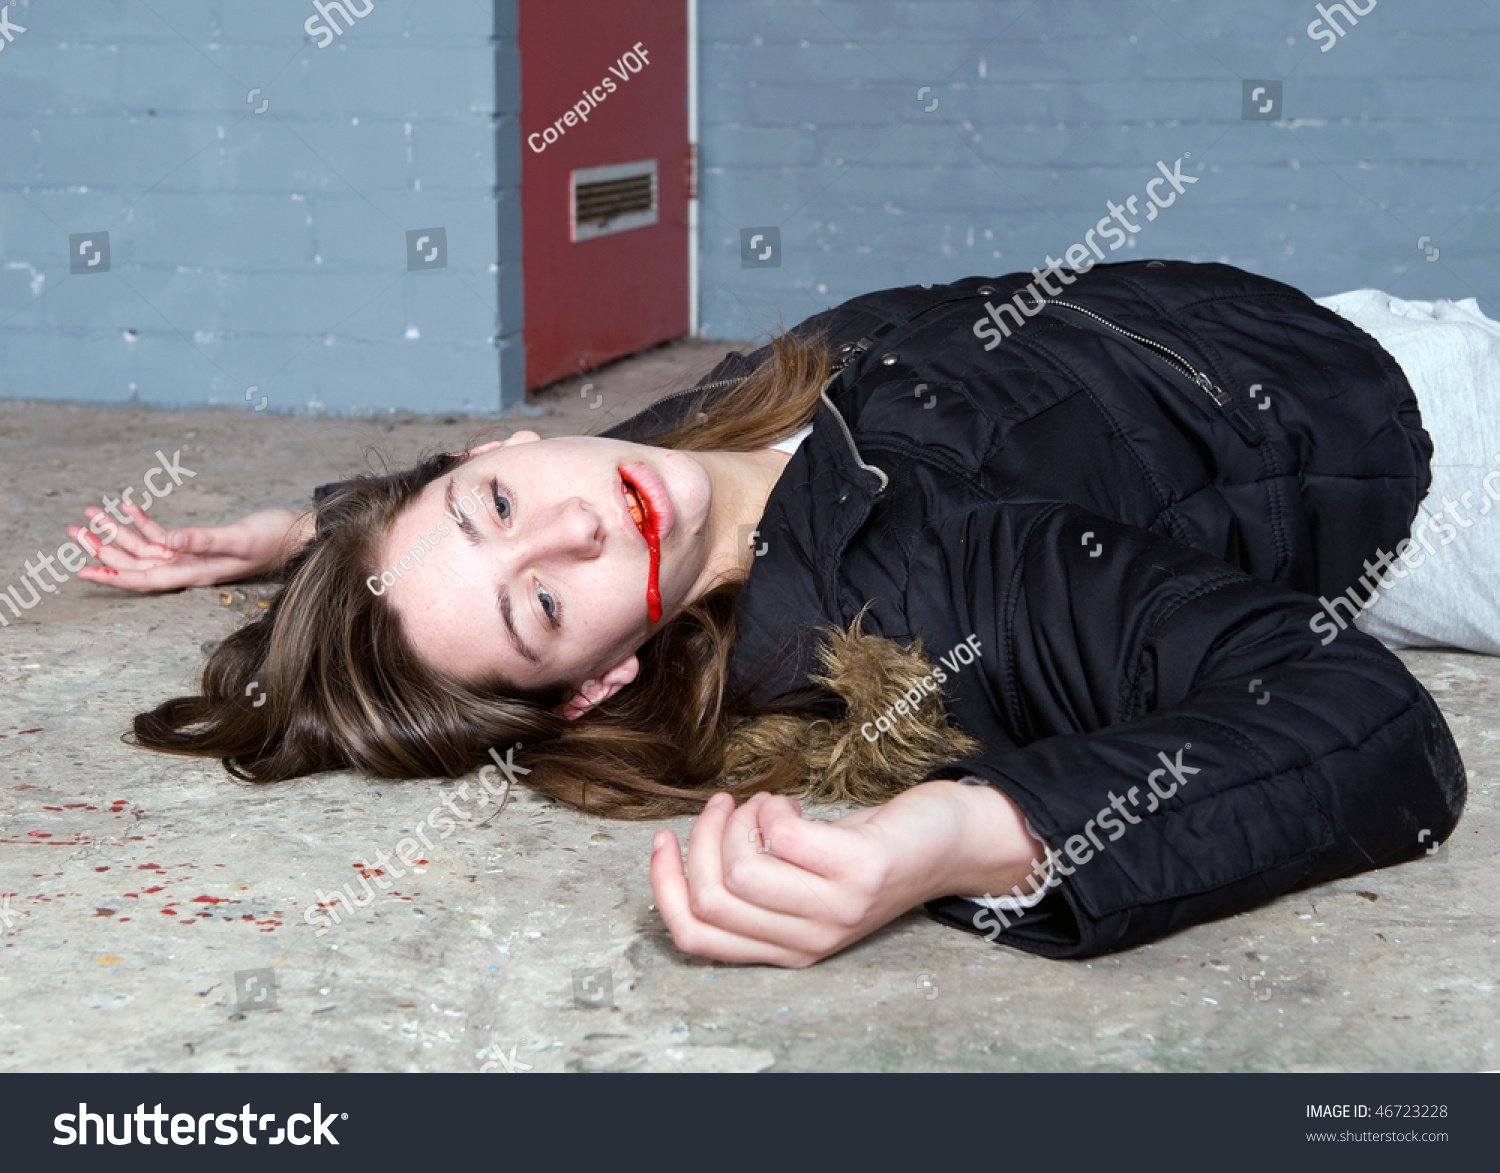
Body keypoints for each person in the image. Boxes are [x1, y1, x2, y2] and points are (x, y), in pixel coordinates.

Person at [71, 259, 1469, 968]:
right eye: (546, 604)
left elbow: (554, 486)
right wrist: (956, 839)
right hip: (1437, 440)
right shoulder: (939, 571)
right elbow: (1365, 721)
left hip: (1272, 328)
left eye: (488, 508)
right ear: (595, 684)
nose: (572, 522)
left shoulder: (674, 461)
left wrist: (305, 536)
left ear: (492, 450)